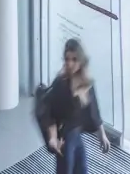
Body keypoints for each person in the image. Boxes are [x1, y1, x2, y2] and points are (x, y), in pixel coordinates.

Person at [38, 39, 110, 174]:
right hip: (64, 140)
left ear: (81, 61)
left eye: (74, 59)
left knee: (82, 170)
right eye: (67, 59)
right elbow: (50, 112)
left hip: (77, 137)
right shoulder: (61, 84)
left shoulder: (86, 83)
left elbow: (93, 109)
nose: (69, 64)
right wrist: (52, 138)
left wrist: (102, 135)